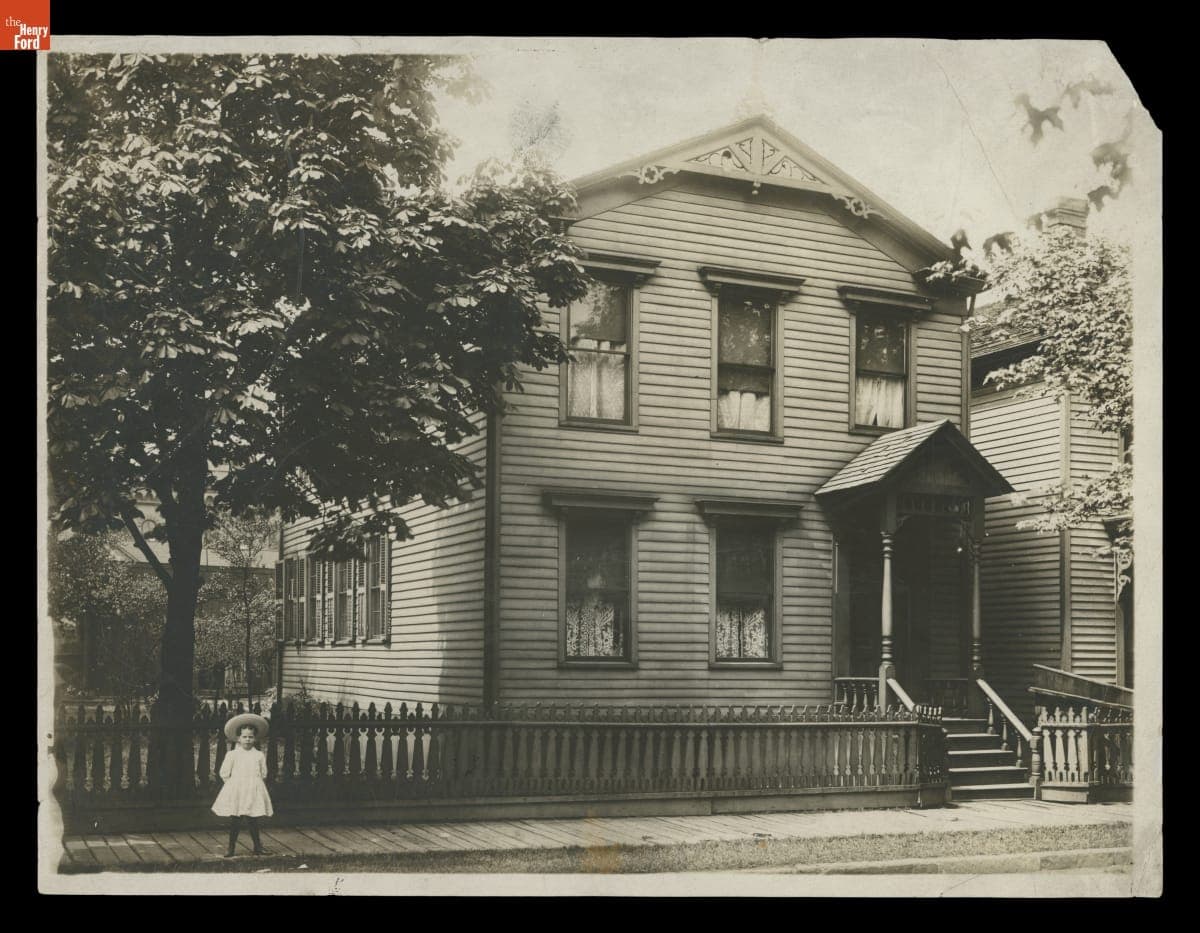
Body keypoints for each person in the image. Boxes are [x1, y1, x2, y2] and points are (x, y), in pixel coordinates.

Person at [212, 712, 274, 857]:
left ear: (255, 738)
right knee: (236, 820)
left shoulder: (258, 755)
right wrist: (234, 786)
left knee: (253, 819)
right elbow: (224, 773)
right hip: (237, 791)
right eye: (244, 737)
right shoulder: (232, 755)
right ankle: (231, 848)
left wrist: (255, 785)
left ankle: (257, 847)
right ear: (238, 738)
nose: (247, 740)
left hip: (253, 790)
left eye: (250, 737)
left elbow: (263, 773)